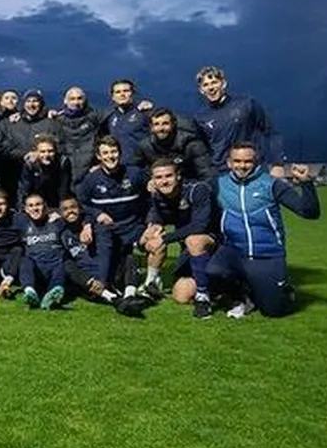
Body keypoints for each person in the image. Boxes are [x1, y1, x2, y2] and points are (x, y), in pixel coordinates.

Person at [207, 142, 320, 318]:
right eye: (237, 161)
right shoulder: (219, 184)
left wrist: (306, 183)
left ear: (256, 162)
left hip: (267, 254)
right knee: (213, 271)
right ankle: (241, 296)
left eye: (247, 161)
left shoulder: (271, 185)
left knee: (273, 311)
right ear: (229, 162)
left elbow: (310, 213)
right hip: (234, 252)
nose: (242, 166)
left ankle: (283, 289)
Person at [139, 159, 218, 319]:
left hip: (214, 244)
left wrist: (164, 238)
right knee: (181, 296)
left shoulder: (197, 190)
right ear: (153, 180)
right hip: (189, 249)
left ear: (179, 176)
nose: (164, 181)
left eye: (168, 176)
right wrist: (154, 226)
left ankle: (203, 297)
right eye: (159, 177)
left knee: (193, 240)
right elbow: (158, 214)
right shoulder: (157, 194)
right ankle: (151, 284)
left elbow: (199, 226)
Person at [77, 136, 150, 286]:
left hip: (133, 227)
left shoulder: (135, 174)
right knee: (114, 276)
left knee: (155, 243)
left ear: (120, 153)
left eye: (114, 152)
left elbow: (150, 197)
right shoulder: (91, 180)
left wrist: (151, 222)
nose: (110, 156)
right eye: (105, 153)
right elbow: (82, 203)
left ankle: (151, 283)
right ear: (99, 156)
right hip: (107, 230)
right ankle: (104, 283)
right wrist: (97, 214)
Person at [58, 196, 147, 317]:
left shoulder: (97, 227)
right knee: (67, 266)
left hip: (106, 272)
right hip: (88, 280)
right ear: (61, 214)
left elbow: (105, 252)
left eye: (73, 207)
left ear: (80, 209)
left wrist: (102, 279)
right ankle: (114, 299)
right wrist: (92, 280)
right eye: (65, 209)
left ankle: (129, 296)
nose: (70, 211)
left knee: (129, 257)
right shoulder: (62, 233)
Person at [194, 66, 286, 176]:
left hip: (252, 169)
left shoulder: (246, 104)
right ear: (201, 90)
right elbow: (203, 150)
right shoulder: (201, 117)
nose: (210, 88)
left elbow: (271, 132)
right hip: (222, 174)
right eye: (205, 85)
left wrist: (278, 163)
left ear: (223, 84)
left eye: (214, 82)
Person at [14, 194, 67, 309]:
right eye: (31, 206)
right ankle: (30, 292)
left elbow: (76, 214)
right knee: (24, 261)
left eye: (38, 204)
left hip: (55, 266)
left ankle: (53, 294)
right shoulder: (22, 223)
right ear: (26, 209)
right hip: (35, 269)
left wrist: (59, 214)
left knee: (63, 263)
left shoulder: (57, 222)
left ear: (45, 206)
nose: (35, 208)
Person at [132, 108, 214, 182]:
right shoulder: (145, 147)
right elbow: (136, 171)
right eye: (156, 124)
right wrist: (147, 182)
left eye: (165, 123)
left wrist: (197, 190)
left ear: (173, 124)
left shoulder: (191, 145)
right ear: (151, 127)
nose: (161, 128)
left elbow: (207, 175)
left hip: (187, 187)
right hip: (159, 187)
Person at [54, 86, 110, 185]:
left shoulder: (95, 117)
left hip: (90, 172)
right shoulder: (57, 120)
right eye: (72, 99)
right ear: (65, 101)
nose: (76, 102)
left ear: (85, 100)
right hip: (66, 174)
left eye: (79, 98)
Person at [105, 79, 154, 167]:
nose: (122, 94)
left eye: (126, 91)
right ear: (113, 97)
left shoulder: (144, 112)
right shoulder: (109, 116)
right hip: (117, 166)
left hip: (141, 166)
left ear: (133, 93)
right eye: (118, 92)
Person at [17, 133, 72, 209]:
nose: (47, 155)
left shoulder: (62, 163)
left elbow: (64, 189)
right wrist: (22, 208)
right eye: (42, 151)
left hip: (55, 201)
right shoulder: (30, 165)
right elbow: (24, 189)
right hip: (36, 201)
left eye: (50, 151)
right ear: (36, 152)